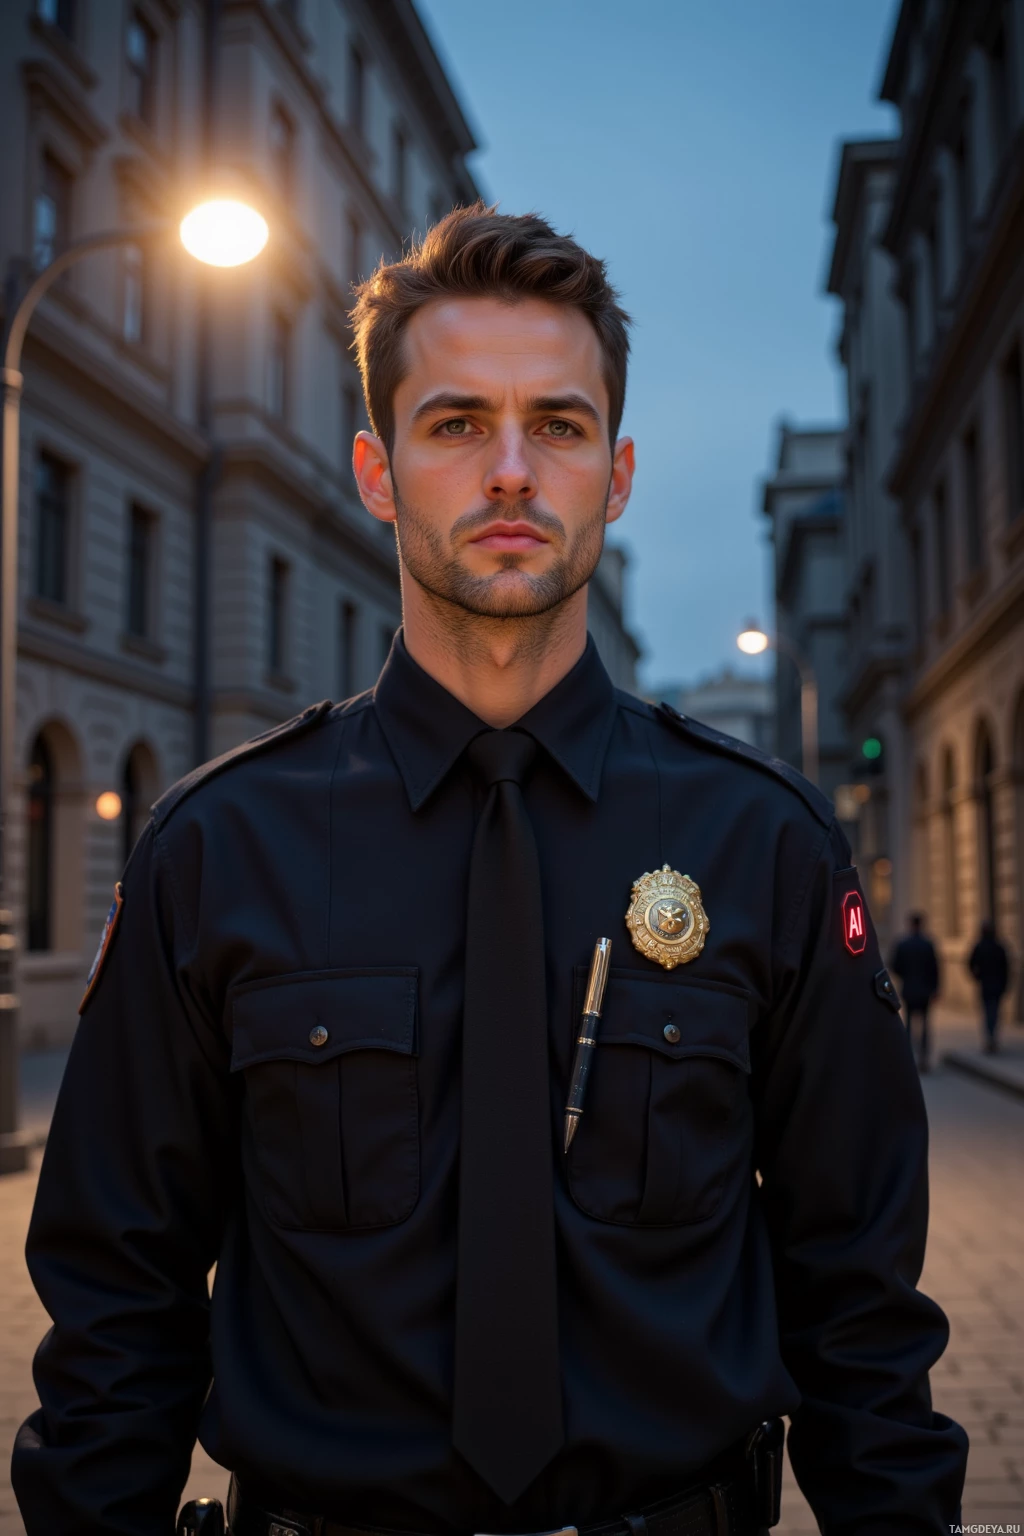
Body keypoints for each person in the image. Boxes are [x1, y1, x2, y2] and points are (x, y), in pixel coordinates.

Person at [12, 206, 967, 1536]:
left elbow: (861, 1313)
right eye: (457, 424)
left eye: (558, 427)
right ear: (376, 469)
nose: (511, 472)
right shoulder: (218, 847)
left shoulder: (767, 844)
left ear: (618, 475)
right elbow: (119, 1309)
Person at [890, 912, 941, 1071]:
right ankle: (924, 1057)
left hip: (909, 990)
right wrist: (935, 989)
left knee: (910, 1024)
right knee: (925, 1024)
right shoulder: (928, 944)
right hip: (925, 991)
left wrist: (905, 976)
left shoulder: (903, 944)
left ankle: (909, 1057)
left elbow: (895, 966)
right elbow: (935, 969)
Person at [968, 920, 1010, 1054]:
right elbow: (1006, 968)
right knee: (995, 1012)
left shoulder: (980, 946)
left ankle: (990, 1037)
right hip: (996, 985)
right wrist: (1005, 985)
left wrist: (977, 977)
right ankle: (992, 1037)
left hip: (986, 985)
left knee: (987, 1012)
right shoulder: (999, 947)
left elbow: (971, 964)